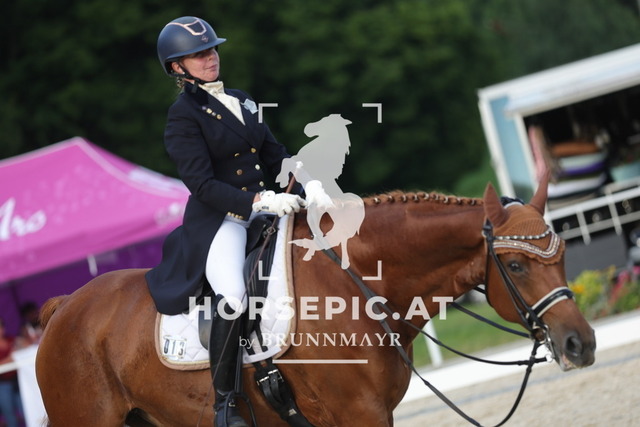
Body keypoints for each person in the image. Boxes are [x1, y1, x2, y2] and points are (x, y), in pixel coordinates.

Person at [146, 16, 306, 427]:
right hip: (223, 220)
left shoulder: (241, 99)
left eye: (212, 49)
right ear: (178, 67)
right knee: (233, 295)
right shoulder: (182, 117)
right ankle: (225, 403)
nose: (211, 57)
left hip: (265, 208)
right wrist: (259, 199)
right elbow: (201, 185)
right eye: (199, 54)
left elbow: (274, 154)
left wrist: (306, 184)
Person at [0, 318, 22, 427]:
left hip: (18, 380)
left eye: (1, 326)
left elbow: (24, 346)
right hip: (2, 385)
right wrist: (11, 357)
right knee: (10, 417)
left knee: (26, 410)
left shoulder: (11, 339)